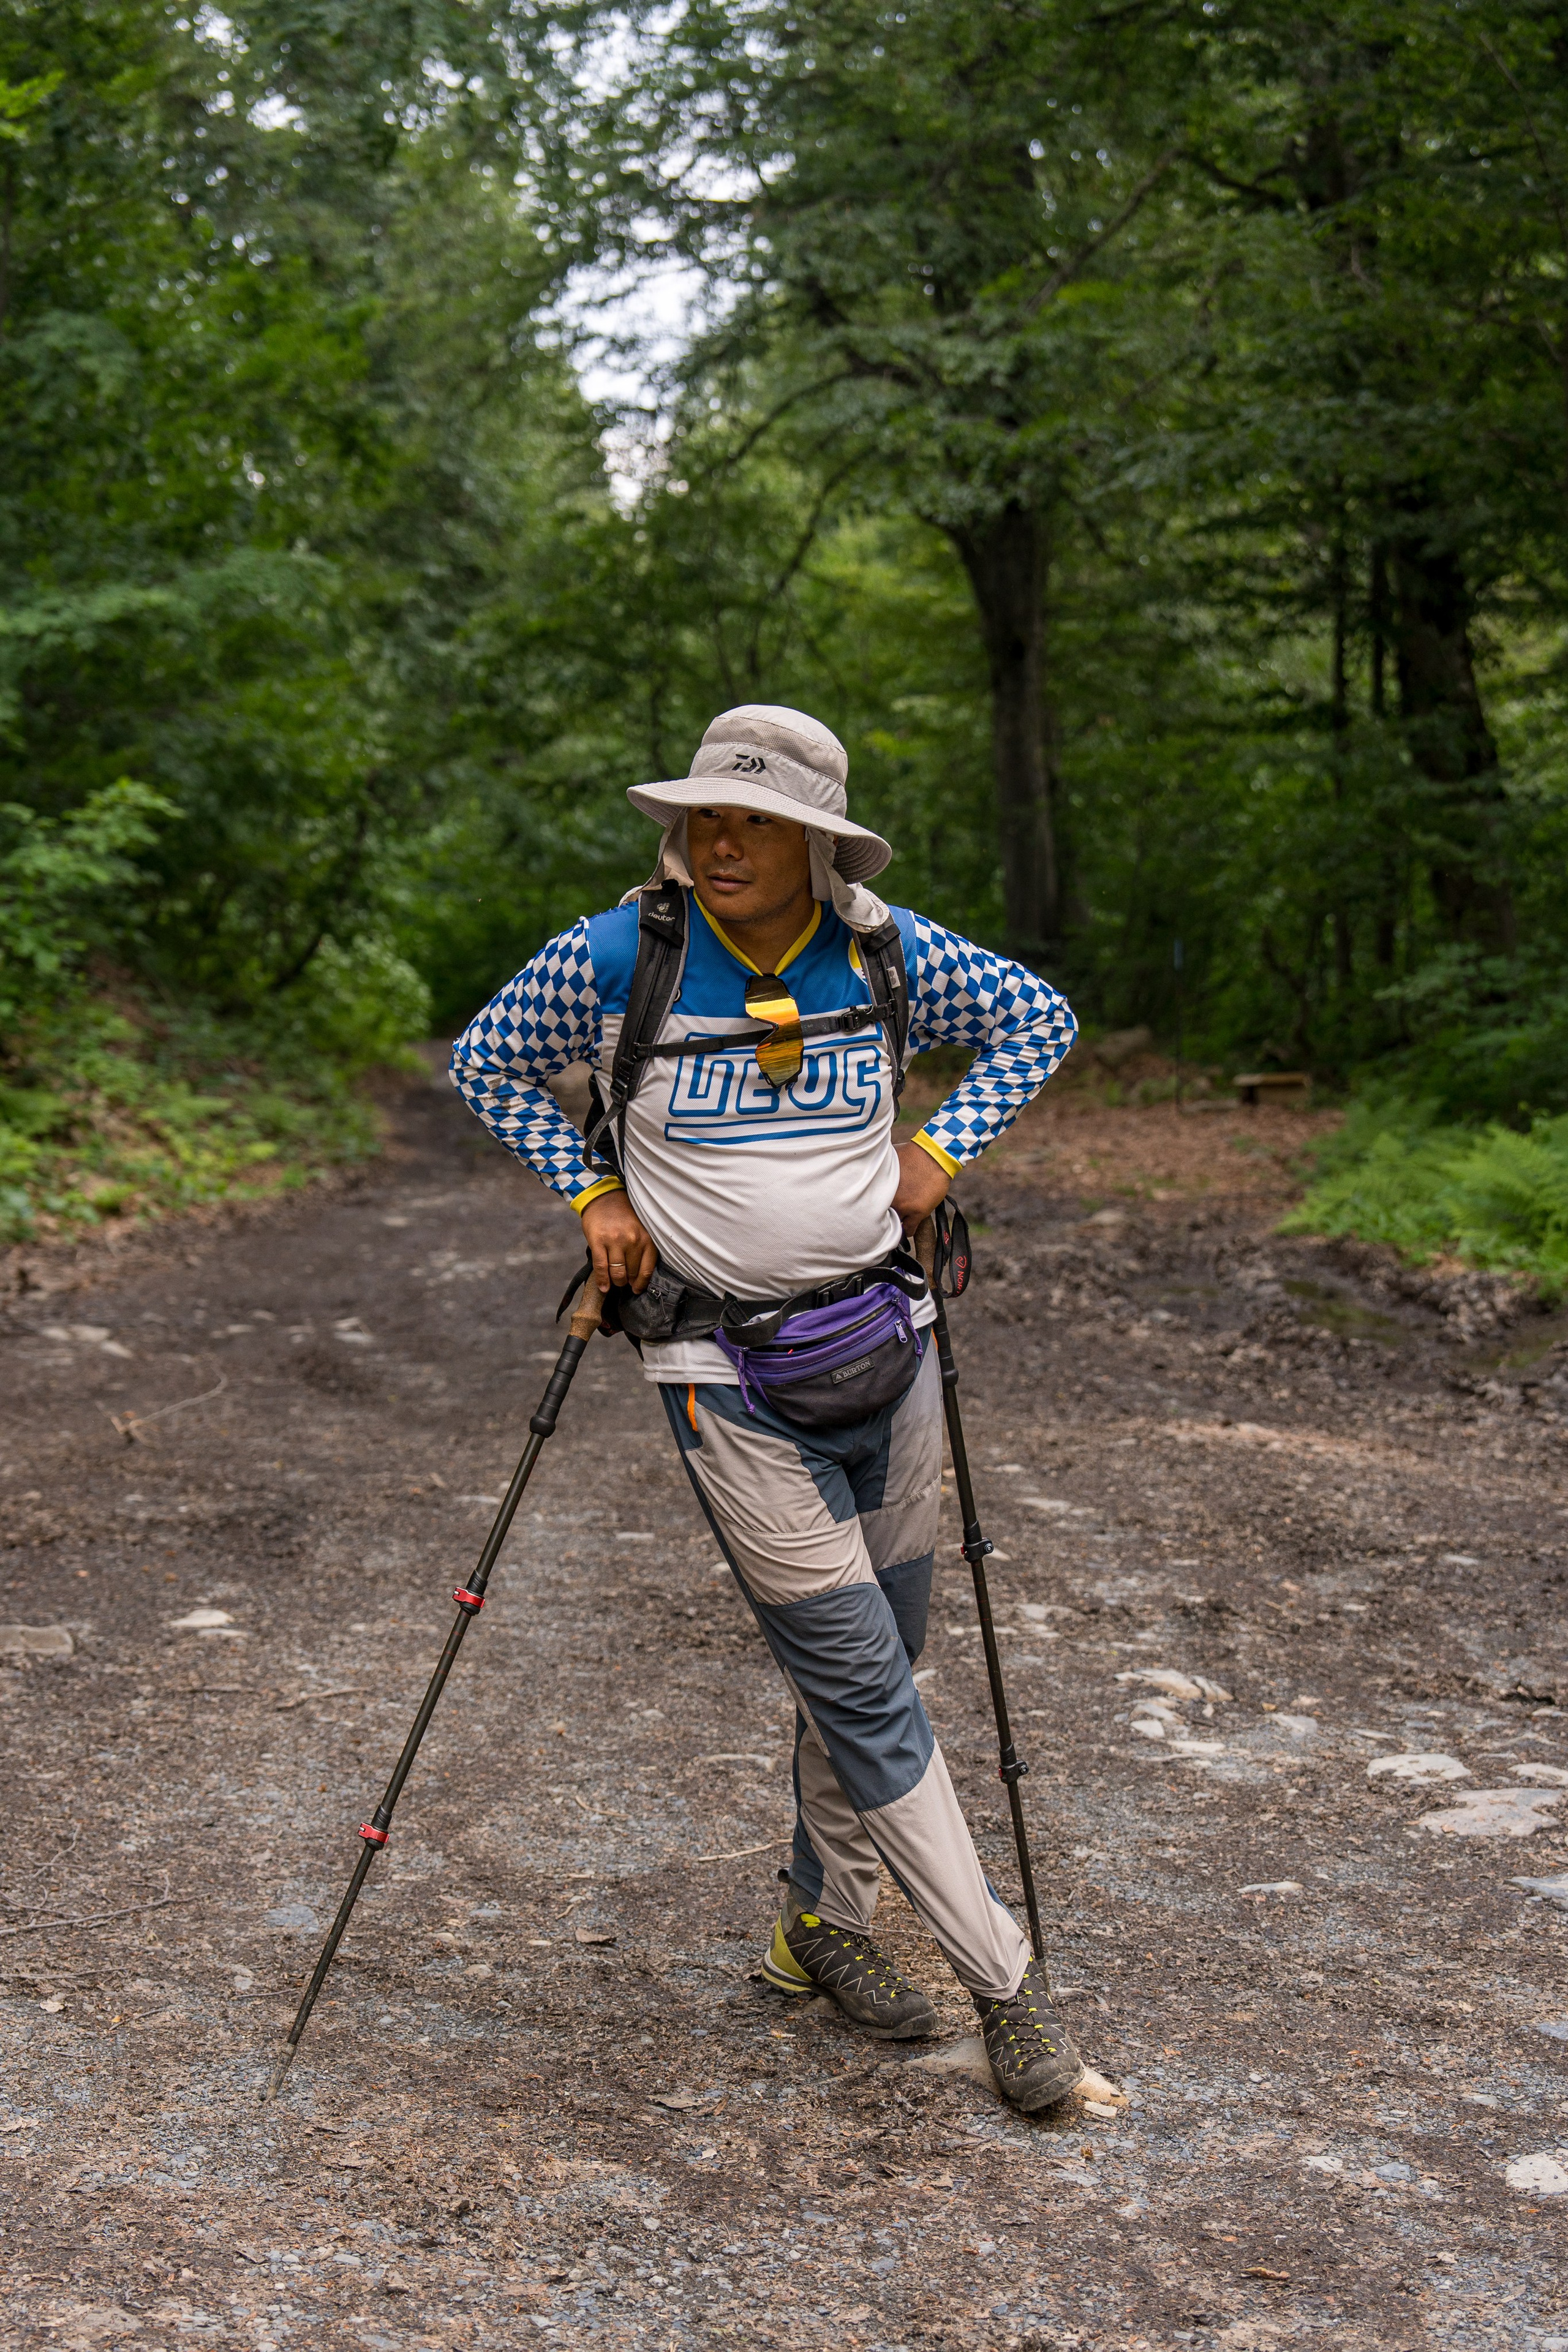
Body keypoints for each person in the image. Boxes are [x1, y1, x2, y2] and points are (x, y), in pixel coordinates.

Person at [450, 704, 1084, 2110]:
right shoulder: (619, 956)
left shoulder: (882, 950)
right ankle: (1007, 1990)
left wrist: (937, 1150)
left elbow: (1037, 1021)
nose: (719, 842)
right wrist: (593, 1191)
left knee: (886, 1657)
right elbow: (482, 1060)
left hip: (889, 1343)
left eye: (754, 822)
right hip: (718, 1374)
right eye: (705, 818)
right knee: (861, 1682)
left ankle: (822, 1927)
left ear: (816, 842)